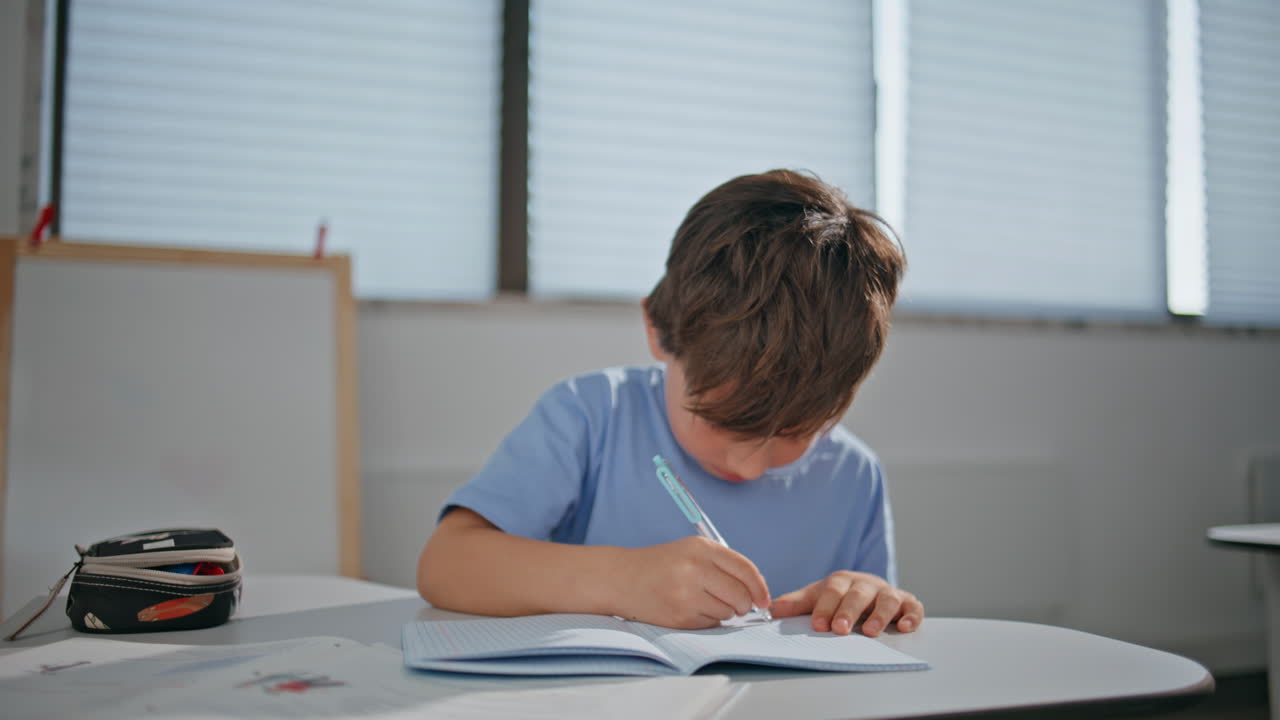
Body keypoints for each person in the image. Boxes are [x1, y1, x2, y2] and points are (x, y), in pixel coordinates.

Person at [418, 169, 923, 637]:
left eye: (795, 432)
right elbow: (445, 565)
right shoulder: (592, 417)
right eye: (727, 424)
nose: (748, 467)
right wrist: (623, 581)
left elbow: (869, 633)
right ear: (658, 331)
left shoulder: (856, 478)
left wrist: (864, 603)